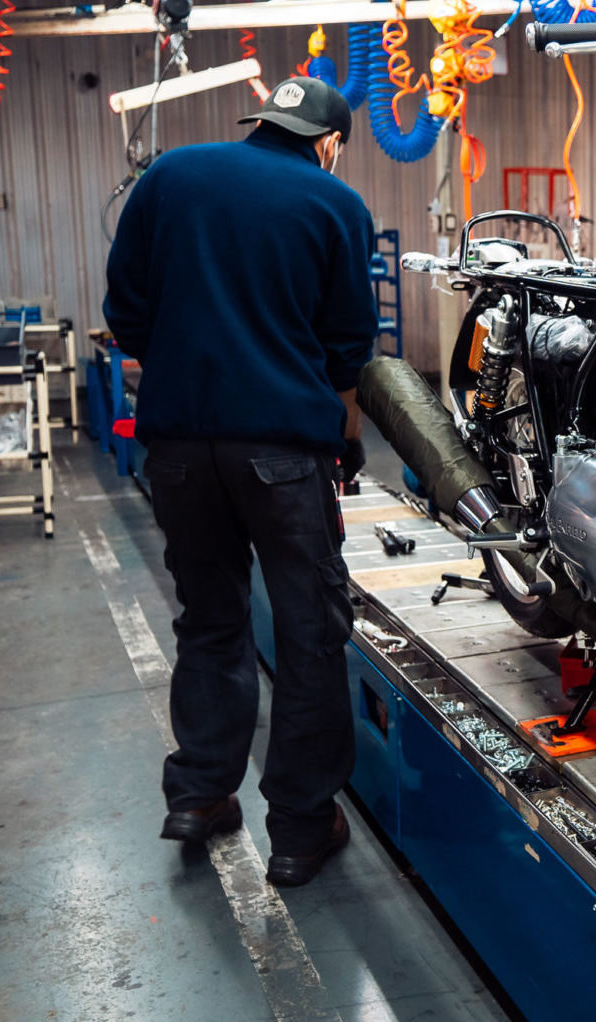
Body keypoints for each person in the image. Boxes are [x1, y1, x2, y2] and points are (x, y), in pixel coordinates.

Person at [104, 77, 376, 887]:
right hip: (282, 452)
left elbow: (126, 311)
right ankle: (297, 827)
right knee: (308, 631)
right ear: (327, 142)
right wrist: (340, 430)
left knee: (209, 616)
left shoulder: (171, 175)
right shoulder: (334, 204)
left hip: (179, 447)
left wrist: (193, 367)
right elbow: (346, 345)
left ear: (263, 122)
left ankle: (198, 794)